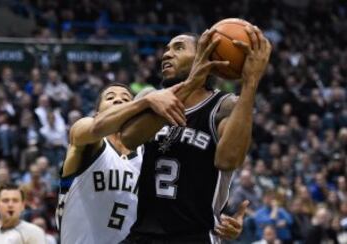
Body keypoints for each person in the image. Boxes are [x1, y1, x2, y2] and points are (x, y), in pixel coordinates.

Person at [120, 21, 271, 243]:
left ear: (206, 55)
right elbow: (129, 139)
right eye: (167, 49)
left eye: (178, 48)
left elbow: (228, 160)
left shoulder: (225, 105)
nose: (167, 55)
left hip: (194, 236)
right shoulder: (150, 97)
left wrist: (250, 82)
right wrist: (189, 84)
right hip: (143, 233)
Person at [55, 83, 187, 244]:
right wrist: (146, 101)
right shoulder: (85, 136)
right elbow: (95, 128)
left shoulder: (147, 155)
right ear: (97, 113)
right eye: (110, 97)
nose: (118, 100)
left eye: (126, 99)